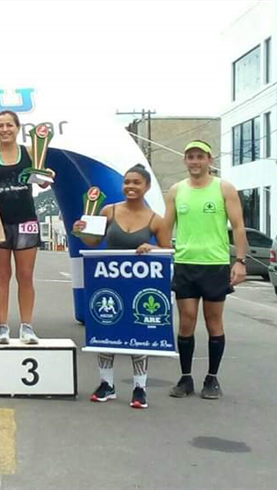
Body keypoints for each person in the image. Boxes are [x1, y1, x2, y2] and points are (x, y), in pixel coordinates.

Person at [73, 164, 170, 409]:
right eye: (127, 182)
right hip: (107, 281)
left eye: (136, 182)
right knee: (106, 328)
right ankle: (106, 384)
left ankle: (140, 388)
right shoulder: (108, 210)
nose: (130, 187)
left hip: (139, 284)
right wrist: (80, 232)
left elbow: (169, 251)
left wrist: (152, 249)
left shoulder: (156, 220)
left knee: (138, 333)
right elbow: (93, 242)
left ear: (146, 186)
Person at [162, 140, 247, 400]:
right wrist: (166, 256)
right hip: (186, 264)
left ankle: (212, 378)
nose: (195, 161)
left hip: (214, 264)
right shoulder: (176, 190)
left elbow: (238, 226)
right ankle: (185, 377)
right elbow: (165, 227)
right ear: (185, 161)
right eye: (190, 157)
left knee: (213, 322)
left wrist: (240, 261)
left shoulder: (224, 188)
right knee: (186, 320)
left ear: (209, 160)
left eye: (200, 156)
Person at [0, 111, 51, 345]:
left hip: (26, 220)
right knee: (2, 275)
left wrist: (47, 177)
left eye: (9, 125)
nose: (5, 129)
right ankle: (3, 328)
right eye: (0, 126)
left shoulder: (30, 152)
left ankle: (27, 327)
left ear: (18, 128)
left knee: (25, 276)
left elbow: (43, 179)